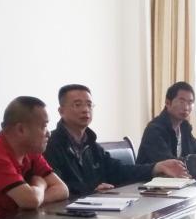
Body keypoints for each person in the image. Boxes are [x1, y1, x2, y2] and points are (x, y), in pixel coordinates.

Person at [44, 84, 188, 196]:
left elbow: (119, 171)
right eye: (77, 104)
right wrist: (90, 189)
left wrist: (156, 167)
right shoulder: (50, 144)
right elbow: (55, 185)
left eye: (89, 104)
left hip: (94, 208)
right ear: (61, 111)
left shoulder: (91, 144)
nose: (85, 110)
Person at [137, 82, 196, 167]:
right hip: (150, 177)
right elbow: (170, 164)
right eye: (181, 102)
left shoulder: (184, 127)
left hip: (175, 177)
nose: (186, 107)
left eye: (190, 103)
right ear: (168, 103)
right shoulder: (154, 130)